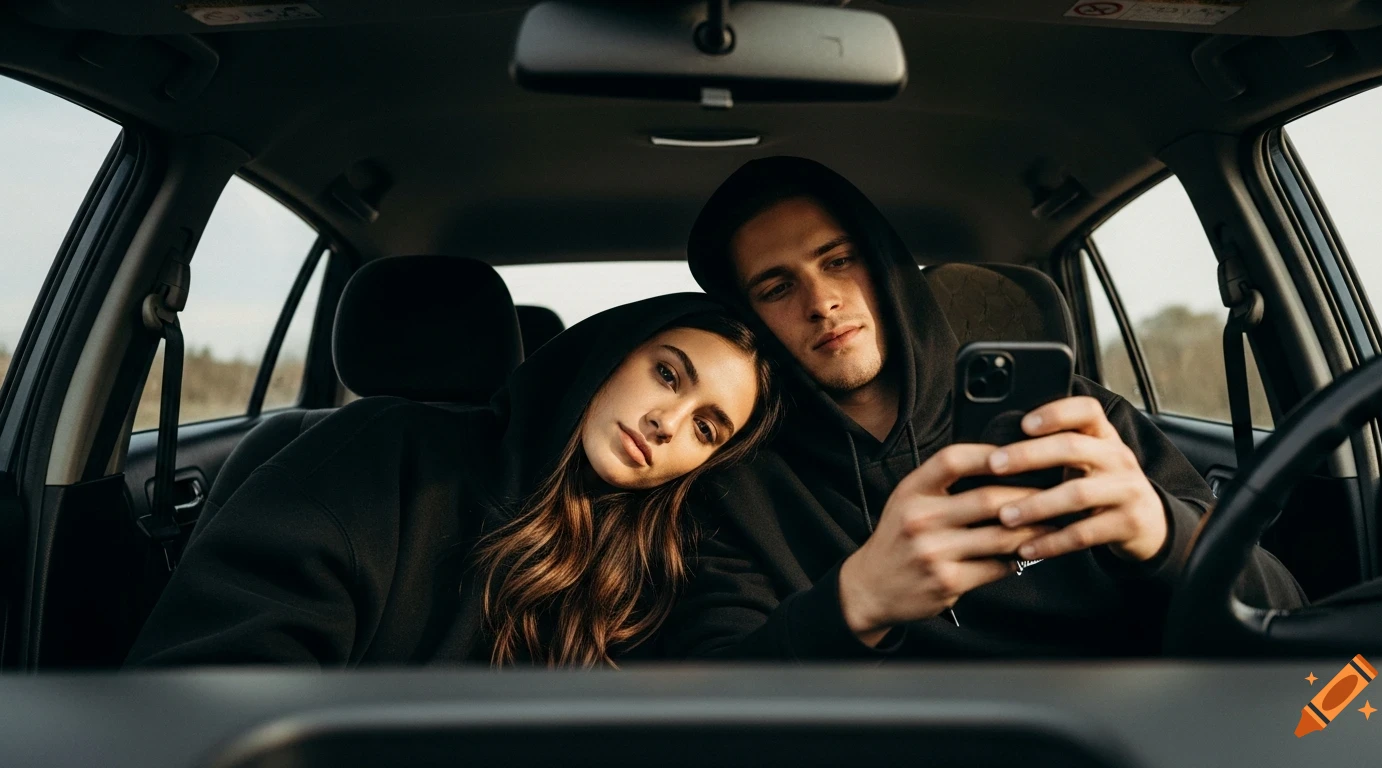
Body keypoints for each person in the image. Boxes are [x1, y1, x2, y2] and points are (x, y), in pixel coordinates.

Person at [665, 157, 1304, 659]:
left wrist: (1162, 534)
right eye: (777, 287)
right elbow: (716, 695)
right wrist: (856, 601)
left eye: (839, 260)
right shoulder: (735, 486)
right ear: (749, 320)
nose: (822, 300)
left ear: (887, 269)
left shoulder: (1073, 419)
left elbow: (1286, 611)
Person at [126, 294, 780, 669]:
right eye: (669, 375)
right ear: (607, 354)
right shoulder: (380, 457)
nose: (669, 423)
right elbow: (218, 686)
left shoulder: (663, 568)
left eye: (707, 429)